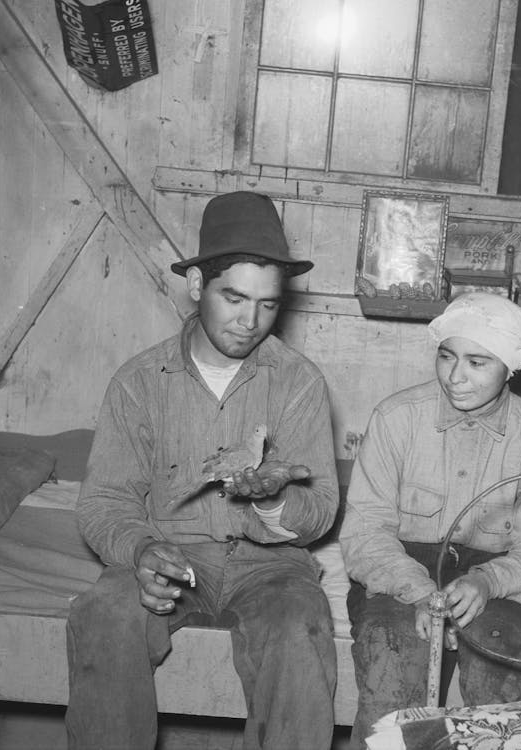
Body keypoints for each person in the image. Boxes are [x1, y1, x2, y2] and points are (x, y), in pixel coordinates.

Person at [66, 191, 339, 750]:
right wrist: (142, 550)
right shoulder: (139, 382)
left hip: (270, 566)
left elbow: (320, 512)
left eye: (268, 304)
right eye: (234, 298)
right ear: (196, 285)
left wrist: (272, 501)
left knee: (301, 631)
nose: (250, 321)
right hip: (170, 550)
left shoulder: (299, 382)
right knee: (105, 613)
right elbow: (104, 502)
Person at [339, 292, 521, 747]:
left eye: (477, 363)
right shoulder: (396, 419)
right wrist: (419, 591)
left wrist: (487, 581)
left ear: (510, 368)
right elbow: (365, 531)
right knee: (394, 652)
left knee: (505, 660)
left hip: (493, 577)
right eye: (447, 357)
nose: (455, 376)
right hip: (401, 569)